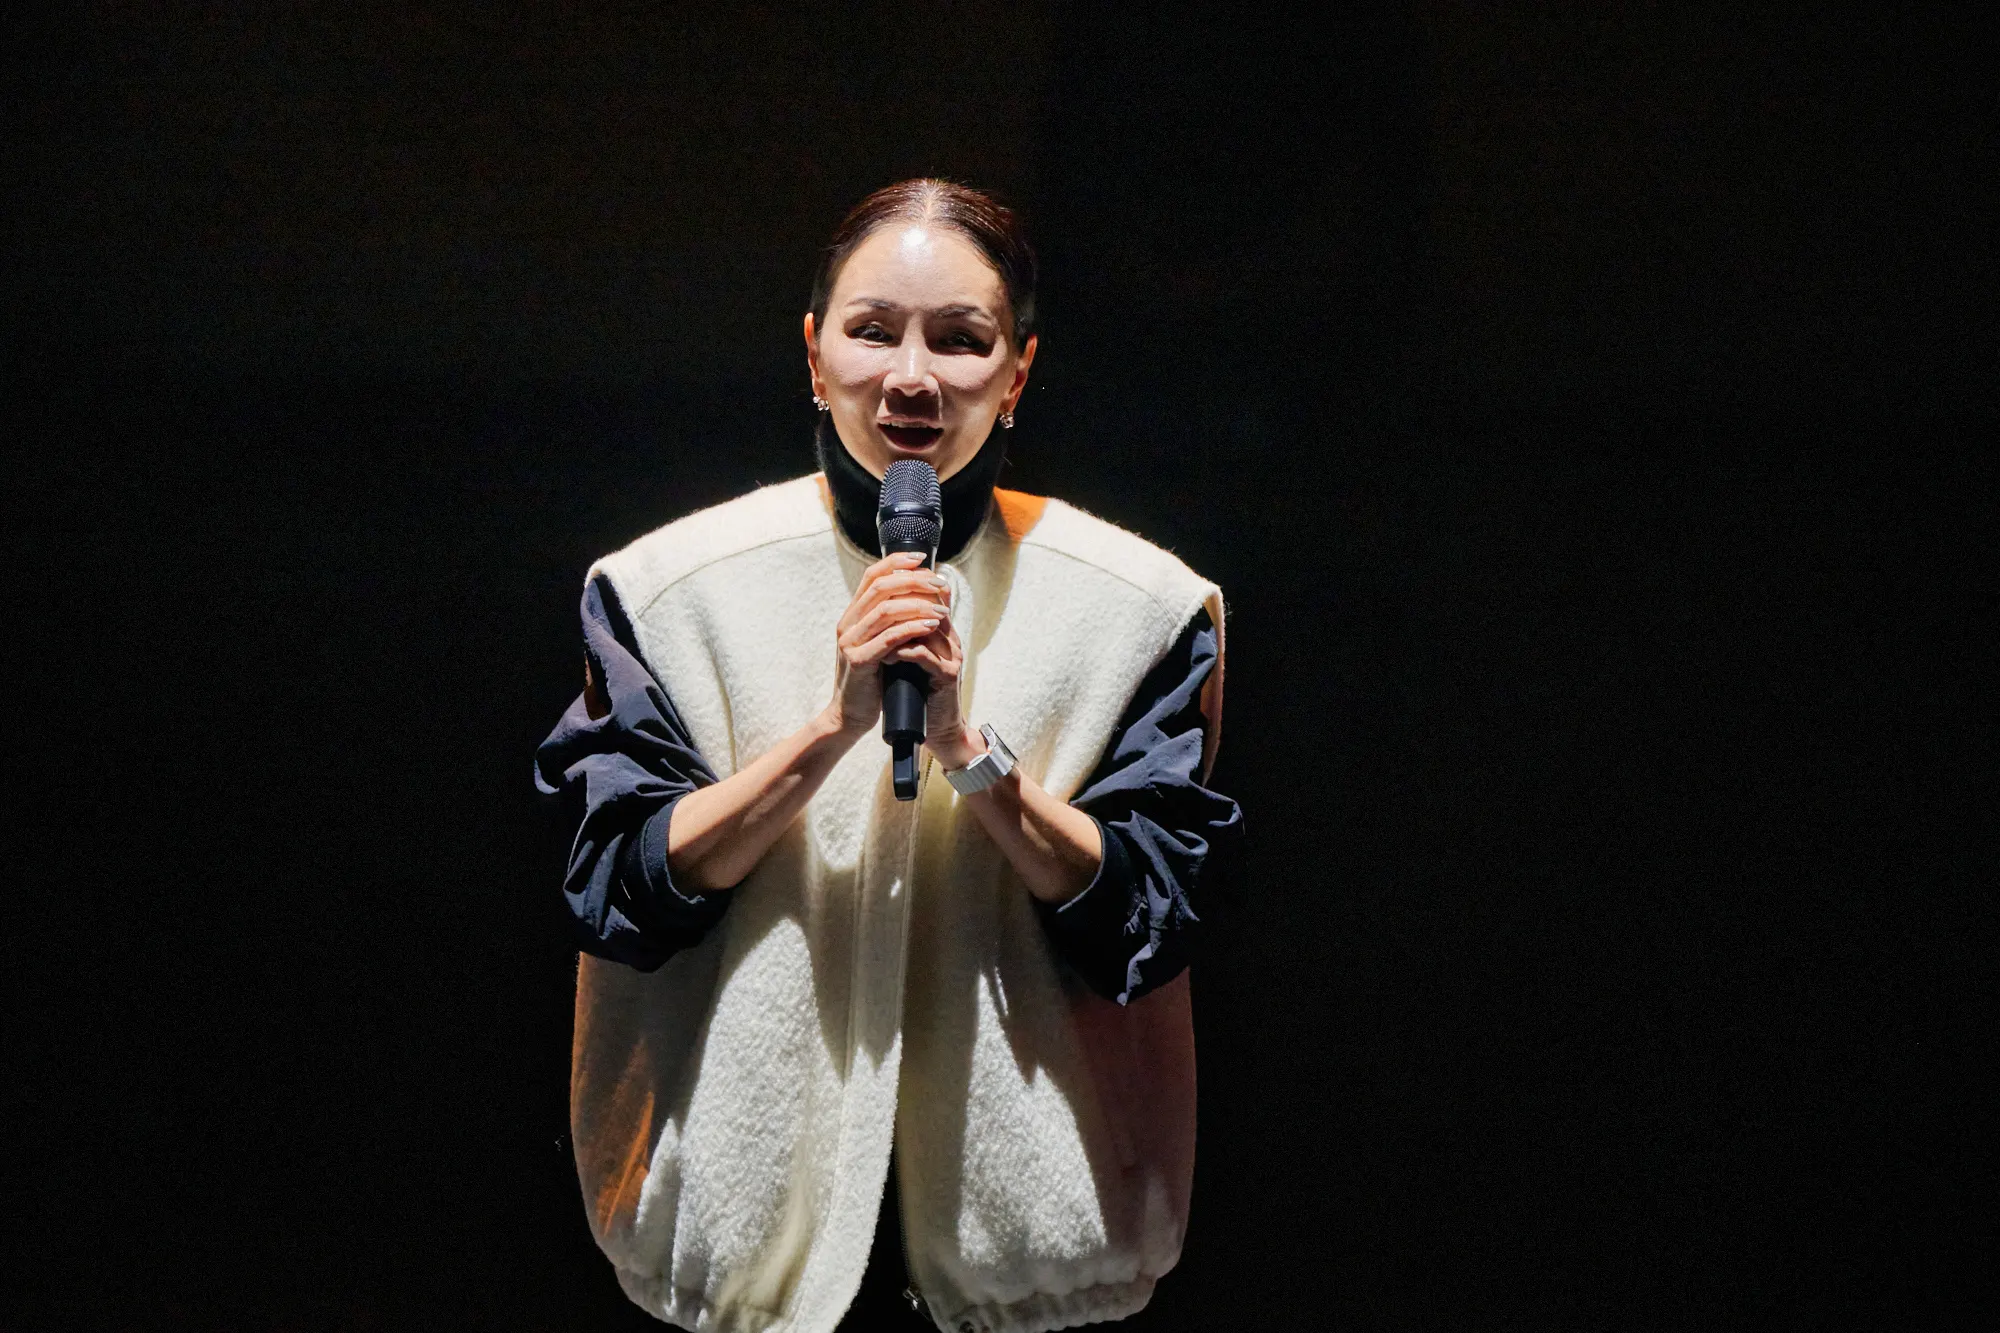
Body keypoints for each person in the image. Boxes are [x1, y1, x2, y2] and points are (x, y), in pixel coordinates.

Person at [534, 180, 1242, 1333]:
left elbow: (1144, 918)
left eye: (959, 339)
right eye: (873, 331)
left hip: (1037, 1285)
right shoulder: (666, 591)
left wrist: (967, 750)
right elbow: (618, 885)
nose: (911, 377)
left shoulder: (1140, 608)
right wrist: (829, 729)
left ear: (1016, 375)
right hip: (729, 1282)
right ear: (814, 357)